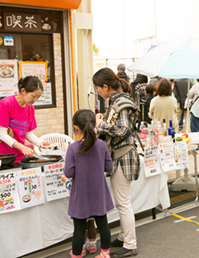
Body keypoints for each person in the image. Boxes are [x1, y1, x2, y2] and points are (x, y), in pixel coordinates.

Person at [93, 68, 140, 258]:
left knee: (123, 202)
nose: (97, 92)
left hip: (123, 156)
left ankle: (130, 244)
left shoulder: (120, 102)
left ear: (105, 86)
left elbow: (123, 131)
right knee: (122, 201)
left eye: (97, 88)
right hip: (119, 156)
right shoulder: (116, 101)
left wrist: (100, 125)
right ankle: (123, 236)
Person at [63, 109, 113, 258]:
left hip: (80, 195)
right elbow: (109, 168)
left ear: (76, 127)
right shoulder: (101, 145)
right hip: (99, 192)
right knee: (103, 224)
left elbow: (68, 173)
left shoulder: (72, 148)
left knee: (79, 228)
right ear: (93, 126)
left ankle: (77, 254)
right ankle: (105, 253)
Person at [0, 76, 50, 162]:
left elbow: (27, 133)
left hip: (18, 155)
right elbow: (1, 134)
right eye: (33, 96)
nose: (35, 100)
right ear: (23, 91)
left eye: (38, 97)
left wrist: (40, 143)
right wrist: (22, 147)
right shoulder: (5, 104)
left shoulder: (30, 109)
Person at [60, 175, 98, 255]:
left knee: (80, 228)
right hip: (91, 202)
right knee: (91, 223)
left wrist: (66, 180)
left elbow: (73, 187)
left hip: (79, 205)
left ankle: (82, 248)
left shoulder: (77, 170)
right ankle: (92, 245)